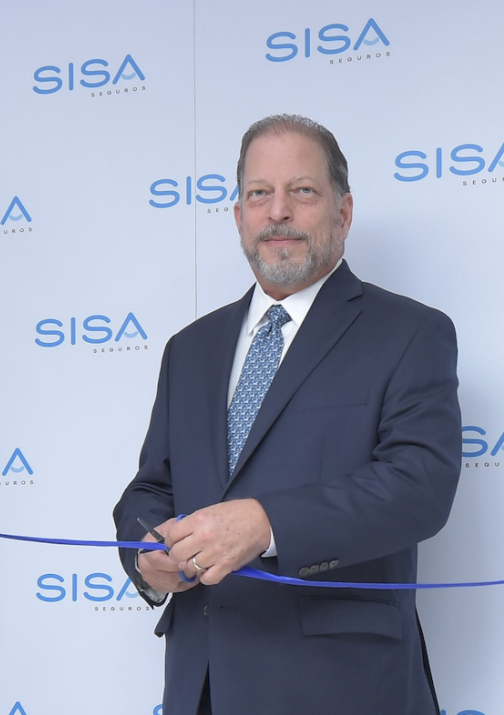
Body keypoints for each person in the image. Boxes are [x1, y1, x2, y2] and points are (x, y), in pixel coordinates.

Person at [114, 114, 460, 715]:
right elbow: (151, 487)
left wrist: (267, 523)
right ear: (238, 217)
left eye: (302, 191)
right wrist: (146, 554)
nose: (278, 211)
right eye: (259, 194)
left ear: (343, 212)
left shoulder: (409, 332)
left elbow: (419, 488)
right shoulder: (189, 349)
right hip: (203, 685)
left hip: (343, 688)